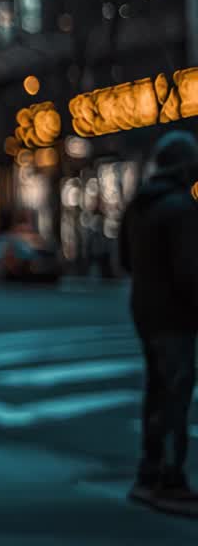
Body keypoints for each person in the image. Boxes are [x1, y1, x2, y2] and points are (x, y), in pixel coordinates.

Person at [120, 130, 198, 514]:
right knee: (176, 396)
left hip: (145, 310)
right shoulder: (181, 208)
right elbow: (189, 273)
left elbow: (124, 261)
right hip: (175, 316)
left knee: (156, 391)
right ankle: (171, 477)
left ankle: (149, 472)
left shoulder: (138, 205)